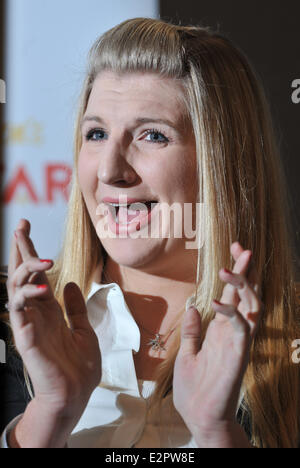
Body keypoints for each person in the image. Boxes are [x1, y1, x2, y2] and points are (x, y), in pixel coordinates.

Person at [1, 16, 300, 448]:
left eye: (153, 135)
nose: (109, 170)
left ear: (224, 162)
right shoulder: (13, 324)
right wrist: (48, 415)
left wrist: (217, 434)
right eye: (97, 133)